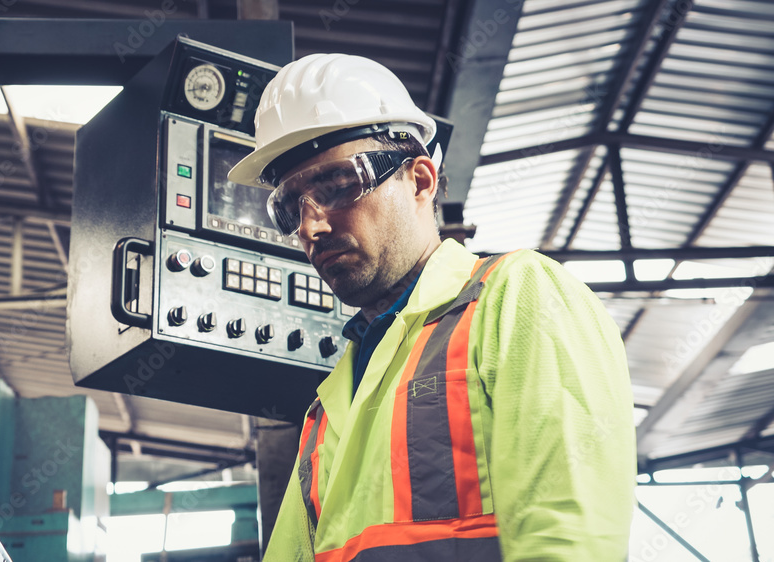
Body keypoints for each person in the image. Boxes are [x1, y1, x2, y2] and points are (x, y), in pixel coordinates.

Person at [228, 54, 636, 561]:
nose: (311, 228)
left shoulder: (515, 295)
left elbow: (569, 540)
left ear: (420, 180)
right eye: (291, 208)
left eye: (336, 187)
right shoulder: (328, 406)